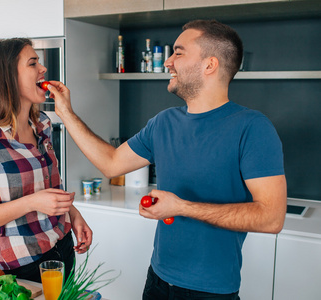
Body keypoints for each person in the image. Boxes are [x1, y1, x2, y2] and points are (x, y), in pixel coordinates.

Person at [47, 20, 287, 299]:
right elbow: (111, 162)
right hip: (158, 281)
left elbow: (271, 218)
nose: (168, 62)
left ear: (209, 65)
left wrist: (182, 207)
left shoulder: (253, 128)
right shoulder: (163, 122)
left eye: (179, 52)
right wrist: (65, 113)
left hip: (211, 291)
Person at [0, 38, 92, 283]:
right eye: (33, 63)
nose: (43, 69)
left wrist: (73, 213)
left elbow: (49, 190)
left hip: (62, 248)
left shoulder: (42, 127)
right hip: (21, 266)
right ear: (7, 76)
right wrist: (32, 203)